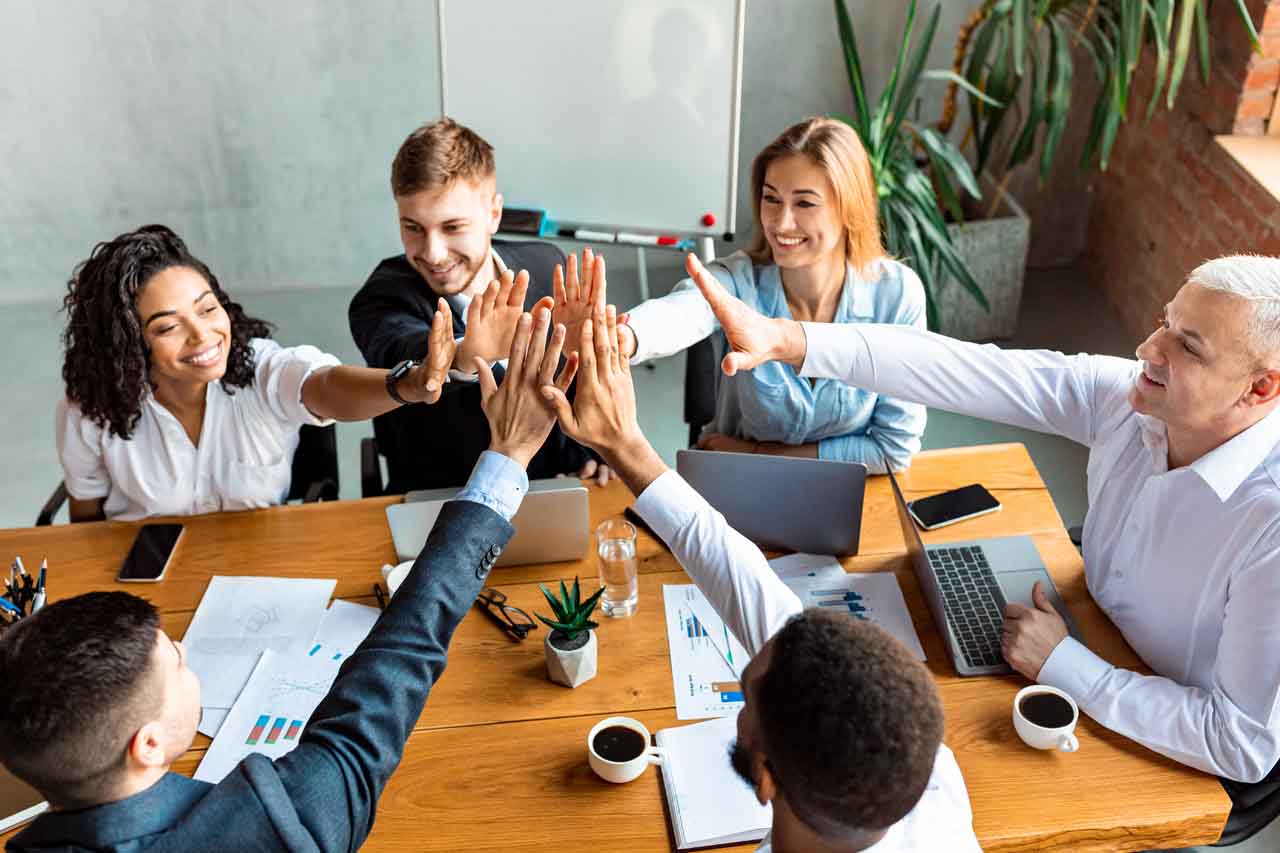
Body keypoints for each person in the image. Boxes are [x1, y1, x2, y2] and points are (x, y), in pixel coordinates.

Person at [682, 251, 1280, 792]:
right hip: (1084, 626)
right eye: (1164, 323)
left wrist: (1067, 665)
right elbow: (969, 369)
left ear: (1260, 388)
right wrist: (788, 338)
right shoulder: (1133, 397)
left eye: (1189, 347)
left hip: (1161, 733)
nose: (1150, 350)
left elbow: (1240, 742)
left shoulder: (1270, 522)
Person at [1, 305, 575, 851]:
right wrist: (507, 456)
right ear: (147, 745)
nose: (183, 647)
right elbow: (396, 666)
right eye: (174, 661)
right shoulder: (274, 826)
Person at [537, 306, 980, 852]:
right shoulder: (927, 778)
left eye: (745, 698)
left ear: (766, 777)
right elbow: (742, 580)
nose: (743, 702)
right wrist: (624, 445)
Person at [56, 224, 456, 522]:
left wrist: (408, 384)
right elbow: (86, 525)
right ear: (128, 343)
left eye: (207, 308)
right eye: (167, 327)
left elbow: (327, 385)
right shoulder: (90, 406)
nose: (202, 335)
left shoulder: (260, 368)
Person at [598, 116, 926, 471]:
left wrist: (753, 453)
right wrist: (626, 336)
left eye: (804, 204)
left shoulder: (896, 294)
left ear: (849, 208)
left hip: (847, 490)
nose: (781, 223)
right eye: (772, 199)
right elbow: (683, 311)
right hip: (737, 485)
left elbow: (893, 449)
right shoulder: (738, 280)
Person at [348, 116, 612, 492]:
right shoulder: (382, 295)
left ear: (494, 214)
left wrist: (599, 453)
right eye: (413, 228)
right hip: (444, 500)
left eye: (452, 227)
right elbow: (402, 351)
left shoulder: (547, 265)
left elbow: (579, 380)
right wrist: (460, 356)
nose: (432, 254)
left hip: (559, 489)